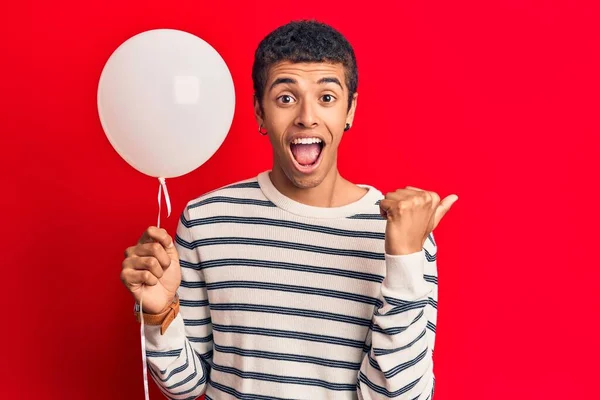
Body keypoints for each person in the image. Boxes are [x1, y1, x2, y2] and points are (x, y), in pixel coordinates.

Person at [121, 19, 458, 400]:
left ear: (350, 110)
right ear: (260, 111)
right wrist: (159, 311)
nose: (307, 117)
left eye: (327, 97)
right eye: (286, 97)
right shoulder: (206, 221)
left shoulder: (404, 236)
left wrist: (404, 261)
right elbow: (185, 386)